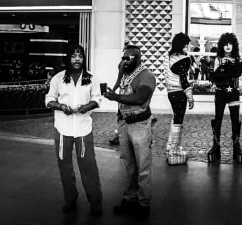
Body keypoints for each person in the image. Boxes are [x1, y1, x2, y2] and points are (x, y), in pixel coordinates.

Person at [44, 43, 103, 216]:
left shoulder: (91, 78)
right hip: (63, 129)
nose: (77, 59)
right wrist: (61, 106)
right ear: (68, 58)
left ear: (84, 59)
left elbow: (97, 99)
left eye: (80, 56)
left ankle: (95, 201)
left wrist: (88, 106)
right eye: (73, 56)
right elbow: (48, 100)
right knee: (65, 167)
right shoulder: (58, 78)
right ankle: (70, 199)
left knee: (88, 167)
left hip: (84, 130)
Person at [104, 45, 157, 221]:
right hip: (125, 123)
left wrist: (116, 97)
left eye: (128, 58)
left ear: (137, 58)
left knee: (143, 166)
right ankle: (130, 198)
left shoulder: (146, 76)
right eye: (123, 57)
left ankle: (143, 203)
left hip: (140, 123)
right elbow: (119, 83)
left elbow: (140, 98)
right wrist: (117, 80)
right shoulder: (126, 73)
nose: (124, 60)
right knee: (128, 164)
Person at [207, 33, 242, 163]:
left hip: (233, 93)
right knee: (218, 118)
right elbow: (214, 75)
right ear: (222, 45)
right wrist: (227, 74)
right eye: (225, 44)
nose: (227, 46)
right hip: (220, 93)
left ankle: (236, 144)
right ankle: (216, 144)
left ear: (234, 45)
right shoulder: (218, 59)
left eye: (230, 44)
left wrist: (240, 68)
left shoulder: (237, 58)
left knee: (235, 119)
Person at [163, 32, 195, 165]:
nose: (189, 47)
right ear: (181, 45)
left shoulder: (167, 56)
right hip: (179, 93)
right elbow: (183, 80)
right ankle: (174, 149)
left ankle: (170, 146)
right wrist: (190, 97)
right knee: (178, 120)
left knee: (175, 117)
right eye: (187, 44)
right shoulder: (184, 59)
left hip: (170, 92)